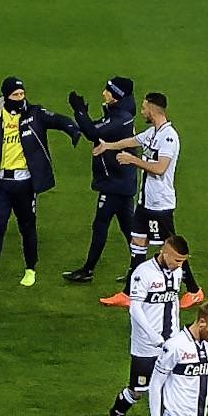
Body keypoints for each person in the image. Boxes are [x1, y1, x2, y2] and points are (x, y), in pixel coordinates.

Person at [0, 76, 81, 290]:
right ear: (6, 96)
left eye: (22, 94)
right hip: (0, 185)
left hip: (25, 184)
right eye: (15, 95)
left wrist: (73, 130)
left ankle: (30, 269)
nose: (20, 98)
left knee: (27, 226)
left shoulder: (34, 114)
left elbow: (57, 120)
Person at [92, 92, 203, 310]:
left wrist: (133, 160)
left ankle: (193, 290)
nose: (142, 111)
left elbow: (160, 168)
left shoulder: (169, 137)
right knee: (138, 245)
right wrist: (108, 146)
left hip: (160, 205)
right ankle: (128, 293)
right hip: (145, 202)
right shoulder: (153, 132)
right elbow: (133, 140)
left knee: (172, 249)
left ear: (152, 109)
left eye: (144, 108)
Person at [103, 235, 190, 416]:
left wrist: (176, 337)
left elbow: (173, 306)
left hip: (171, 342)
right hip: (145, 345)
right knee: (138, 391)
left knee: (172, 386)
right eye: (177, 260)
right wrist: (153, 337)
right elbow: (135, 308)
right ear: (165, 252)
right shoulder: (143, 273)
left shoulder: (177, 273)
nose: (180, 265)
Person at [63, 77, 138, 285]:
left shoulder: (121, 117)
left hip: (116, 182)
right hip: (121, 181)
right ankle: (138, 271)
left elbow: (93, 132)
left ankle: (88, 270)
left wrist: (79, 111)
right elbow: (95, 130)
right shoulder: (118, 114)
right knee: (128, 228)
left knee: (101, 224)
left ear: (117, 95)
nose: (104, 93)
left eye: (108, 90)